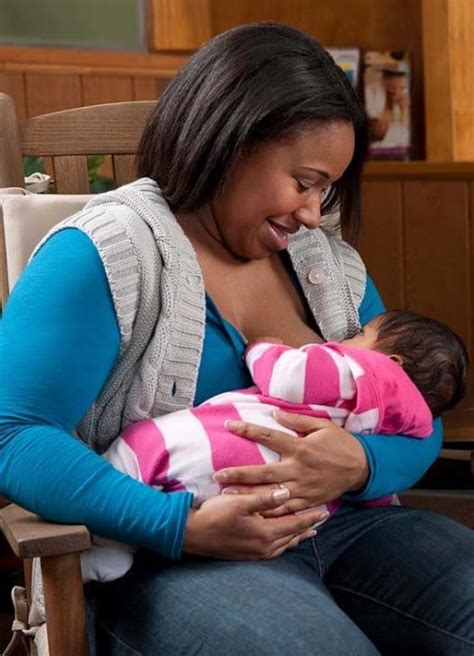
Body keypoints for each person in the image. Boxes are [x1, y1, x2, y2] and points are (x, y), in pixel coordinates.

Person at [0, 21, 473, 656]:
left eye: (327, 188)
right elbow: (12, 434)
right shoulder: (106, 254)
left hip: (347, 528)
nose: (314, 213)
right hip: (172, 559)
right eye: (303, 182)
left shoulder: (325, 265)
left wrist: (361, 463)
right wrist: (180, 525)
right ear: (230, 143)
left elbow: (417, 413)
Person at [81, 308, 468, 583]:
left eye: (360, 334)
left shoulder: (367, 371)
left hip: (220, 449)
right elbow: (400, 465)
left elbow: (290, 377)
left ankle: (110, 547)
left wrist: (262, 350)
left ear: (393, 362)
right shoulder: (408, 415)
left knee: (136, 451)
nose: (344, 339)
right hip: (284, 509)